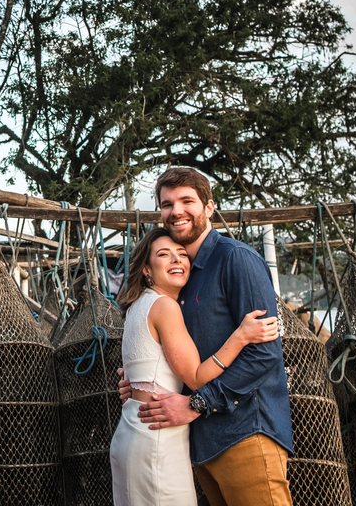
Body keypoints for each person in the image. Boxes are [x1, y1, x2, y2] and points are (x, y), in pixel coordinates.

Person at [118, 167, 294, 506]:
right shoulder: (179, 276)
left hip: (243, 432)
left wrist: (197, 403)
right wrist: (141, 382)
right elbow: (177, 352)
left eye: (187, 201)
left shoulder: (235, 260)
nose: (176, 211)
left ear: (209, 207)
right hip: (197, 440)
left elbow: (264, 355)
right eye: (167, 204)